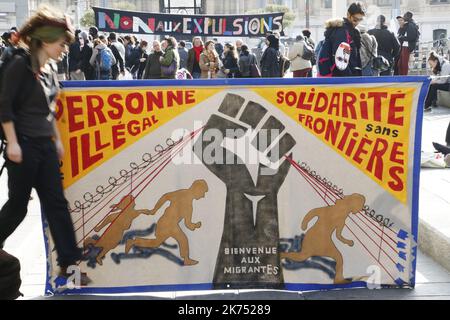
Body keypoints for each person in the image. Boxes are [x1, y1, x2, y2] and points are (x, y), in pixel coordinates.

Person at [0, 5, 89, 285]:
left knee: (57, 204)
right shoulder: (18, 65)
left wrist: (57, 140)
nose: (65, 49)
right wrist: (12, 143)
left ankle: (70, 265)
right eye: (62, 43)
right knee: (18, 206)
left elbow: (49, 110)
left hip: (44, 147)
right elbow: (4, 106)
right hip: (23, 146)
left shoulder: (49, 69)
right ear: (47, 38)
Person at [124, 180, 208, 266]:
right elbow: (166, 196)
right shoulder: (182, 193)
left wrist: (195, 225)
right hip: (165, 223)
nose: (203, 196)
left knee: (159, 242)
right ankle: (186, 259)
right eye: (203, 192)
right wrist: (154, 210)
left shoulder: (190, 206)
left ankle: (133, 242)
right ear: (197, 189)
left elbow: (188, 224)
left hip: (172, 225)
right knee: (180, 240)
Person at [317, 2, 365, 77]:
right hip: (338, 77)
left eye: (360, 20)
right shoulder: (342, 31)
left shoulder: (351, 30)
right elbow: (340, 59)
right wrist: (350, 78)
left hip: (342, 75)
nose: (357, 23)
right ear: (348, 15)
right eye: (355, 19)